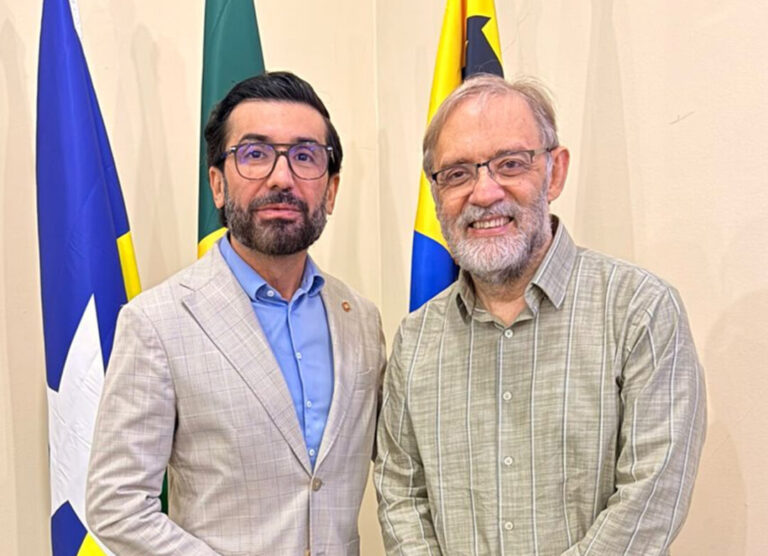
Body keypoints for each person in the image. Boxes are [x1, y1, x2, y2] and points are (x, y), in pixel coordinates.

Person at [375, 74, 705, 555]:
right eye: (458, 173)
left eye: (510, 164)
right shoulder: (416, 339)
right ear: (435, 193)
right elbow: (400, 492)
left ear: (555, 172)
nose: (485, 193)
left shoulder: (641, 310)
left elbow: (652, 497)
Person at [87, 71, 385, 555]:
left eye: (305, 156)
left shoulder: (362, 321)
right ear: (218, 185)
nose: (282, 177)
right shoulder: (157, 322)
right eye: (254, 154)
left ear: (330, 191)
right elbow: (116, 505)